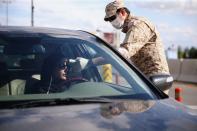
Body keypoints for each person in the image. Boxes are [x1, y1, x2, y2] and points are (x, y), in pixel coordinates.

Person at [104, 1, 171, 94]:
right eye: (109, 20)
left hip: (156, 79)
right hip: (145, 79)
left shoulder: (138, 25)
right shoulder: (130, 27)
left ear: (123, 12)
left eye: (112, 18)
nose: (111, 22)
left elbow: (124, 51)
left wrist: (96, 58)